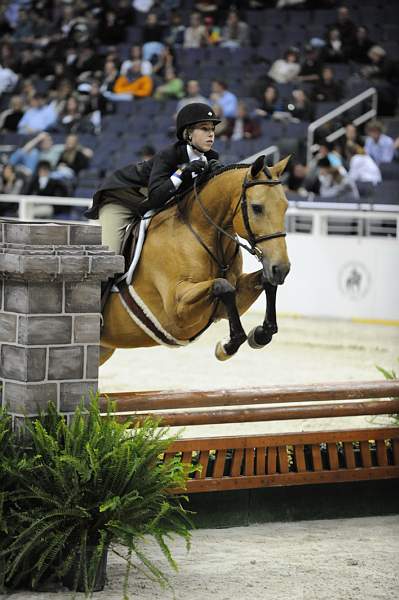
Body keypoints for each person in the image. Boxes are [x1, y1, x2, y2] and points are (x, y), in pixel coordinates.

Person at [86, 102, 222, 258]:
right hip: (123, 199)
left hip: (154, 207)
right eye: (205, 129)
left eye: (212, 129)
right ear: (188, 133)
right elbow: (156, 197)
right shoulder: (169, 155)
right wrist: (181, 173)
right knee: (109, 259)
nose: (211, 134)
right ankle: (107, 282)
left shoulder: (211, 157)